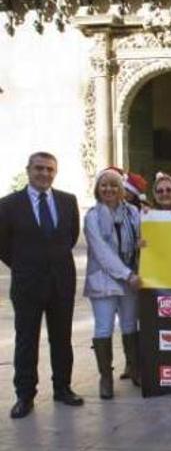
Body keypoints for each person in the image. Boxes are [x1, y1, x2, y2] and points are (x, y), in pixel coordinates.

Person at [0, 152, 83, 419]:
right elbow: (3, 245)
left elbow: (70, 237)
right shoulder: (8, 205)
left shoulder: (68, 201)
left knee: (62, 338)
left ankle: (63, 388)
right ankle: (25, 395)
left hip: (61, 282)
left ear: (55, 173)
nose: (44, 174)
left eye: (49, 169)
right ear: (28, 170)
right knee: (26, 339)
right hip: (27, 284)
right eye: (39, 168)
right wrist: (25, 266)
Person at [83, 168, 143, 399]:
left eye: (114, 185)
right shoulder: (92, 217)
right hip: (104, 280)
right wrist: (127, 275)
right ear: (97, 188)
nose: (109, 189)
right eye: (104, 185)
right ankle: (105, 378)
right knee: (104, 327)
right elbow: (102, 252)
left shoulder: (133, 212)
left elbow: (142, 238)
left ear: (122, 190)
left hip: (130, 278)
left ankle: (135, 368)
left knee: (129, 324)